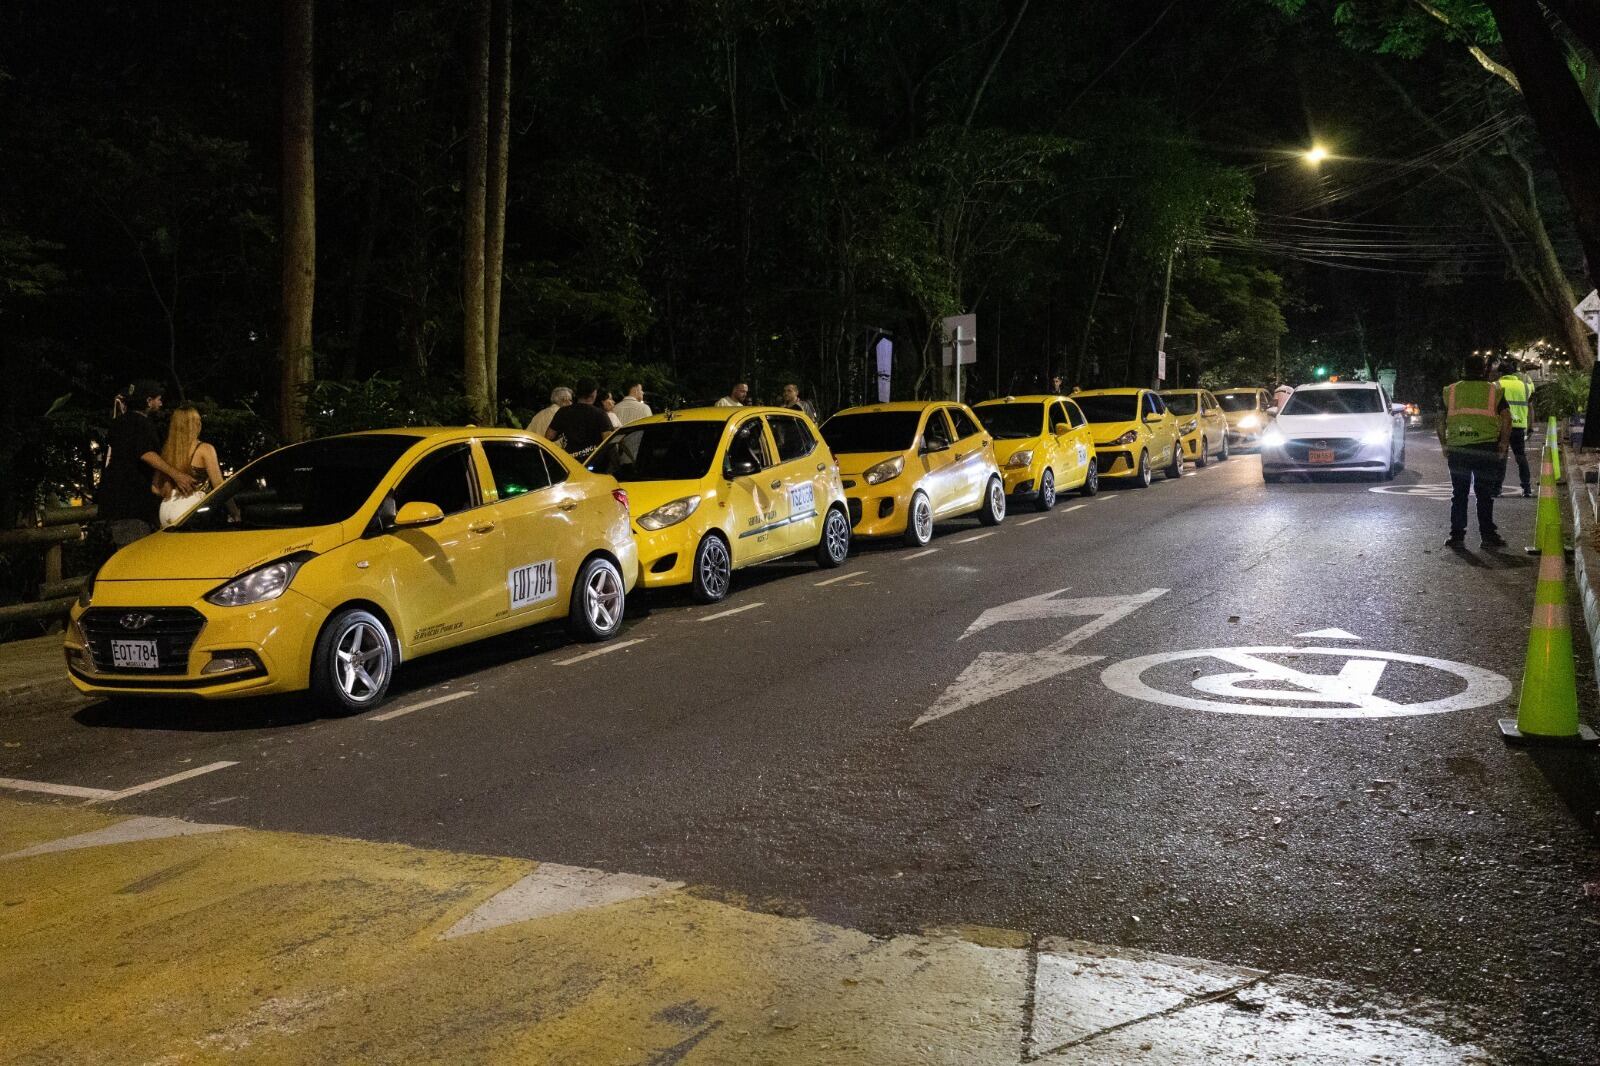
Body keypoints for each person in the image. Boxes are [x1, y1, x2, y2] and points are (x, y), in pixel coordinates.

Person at [98, 380, 196, 547]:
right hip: (132, 505)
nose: (161, 403)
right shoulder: (141, 423)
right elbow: (146, 453)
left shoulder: (119, 422)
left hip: (113, 501)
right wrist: (177, 475)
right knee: (135, 554)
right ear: (148, 401)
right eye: (158, 399)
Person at [1439, 354, 1512, 549]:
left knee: (1459, 493)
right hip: (1485, 449)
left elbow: (1440, 420)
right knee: (1484, 494)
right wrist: (1503, 444)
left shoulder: (1450, 390)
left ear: (1464, 368)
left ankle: (1457, 536)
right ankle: (1488, 536)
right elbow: (1507, 418)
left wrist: (1444, 444)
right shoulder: (1494, 390)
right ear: (1484, 369)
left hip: (1458, 449)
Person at [153, 405, 225, 527]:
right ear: (195, 424)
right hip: (190, 510)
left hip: (165, 509)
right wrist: (235, 512)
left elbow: (155, 488)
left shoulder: (168, 451)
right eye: (198, 420)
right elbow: (219, 486)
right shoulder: (205, 449)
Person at [546, 379, 614, 456]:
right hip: (592, 460)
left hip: (568, 460)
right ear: (593, 393)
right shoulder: (600, 414)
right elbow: (608, 441)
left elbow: (549, 436)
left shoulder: (563, 412)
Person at [1497, 359, 1534, 498]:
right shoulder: (1524, 386)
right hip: (1519, 427)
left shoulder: (1496, 385)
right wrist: (1530, 427)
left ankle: (1497, 489)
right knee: (1521, 457)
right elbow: (1530, 407)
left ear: (1500, 373)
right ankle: (1527, 488)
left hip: (1501, 427)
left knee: (1501, 457)